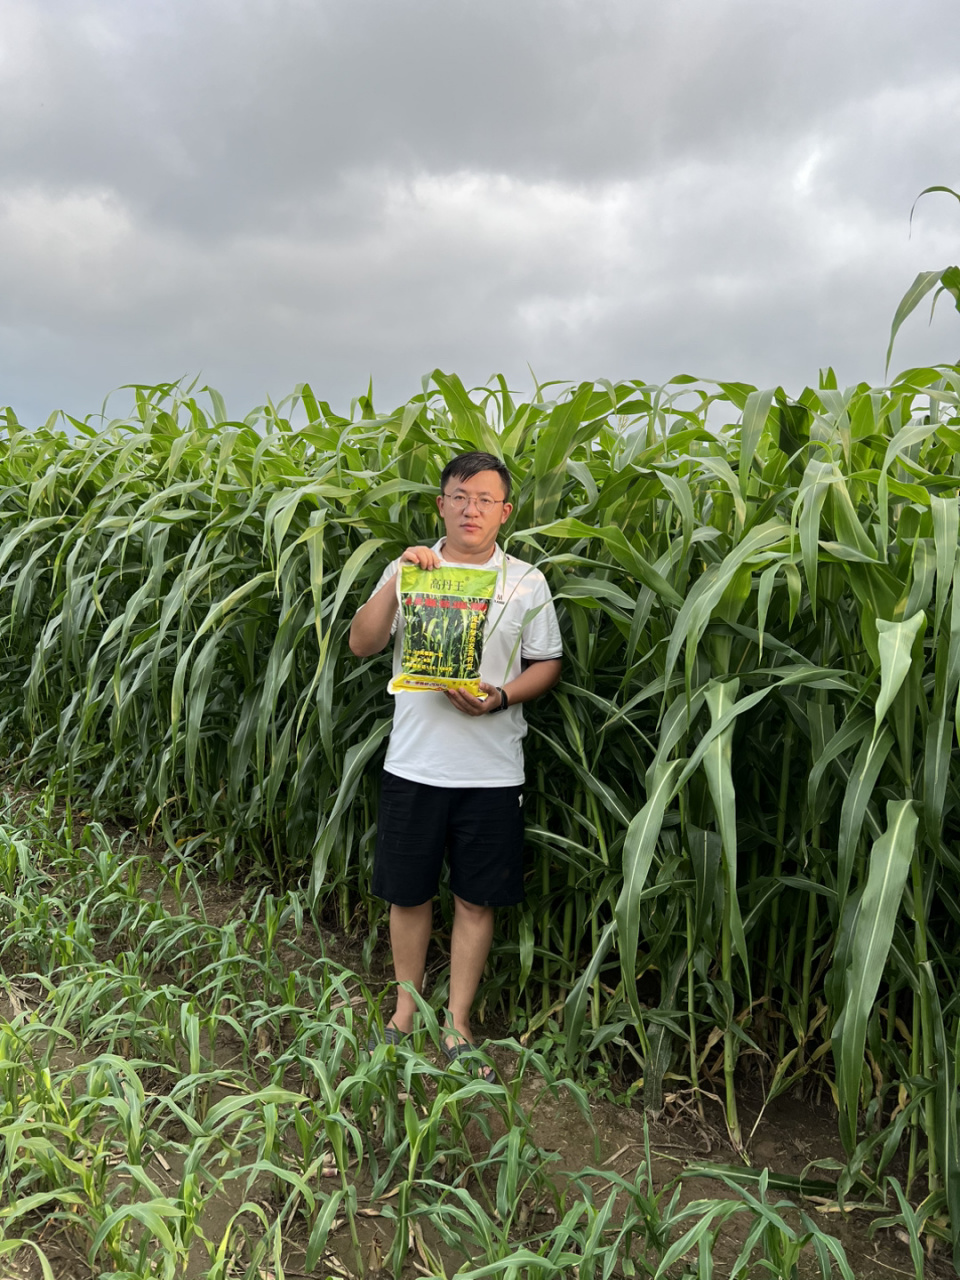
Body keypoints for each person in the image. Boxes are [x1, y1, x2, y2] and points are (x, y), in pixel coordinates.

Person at [349, 451, 562, 1072]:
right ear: (441, 504)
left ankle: (459, 1023)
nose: (473, 510)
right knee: (408, 894)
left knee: (475, 900)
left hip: (492, 771)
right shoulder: (412, 568)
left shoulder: (526, 582)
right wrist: (398, 578)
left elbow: (546, 663)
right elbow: (363, 644)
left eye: (486, 500)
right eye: (460, 497)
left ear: (505, 512)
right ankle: (403, 1013)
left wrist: (498, 697)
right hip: (415, 764)